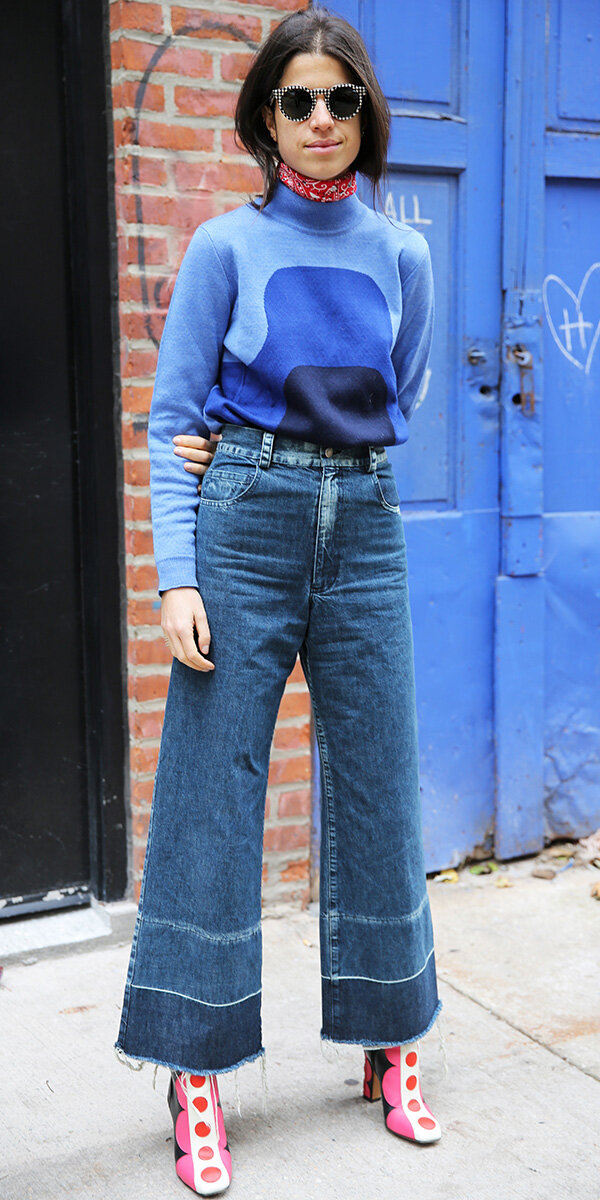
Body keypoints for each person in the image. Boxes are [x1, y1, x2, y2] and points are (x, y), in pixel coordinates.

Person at [114, 5, 443, 1194]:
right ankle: (193, 1070)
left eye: (340, 100)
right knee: (212, 791)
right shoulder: (222, 248)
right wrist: (177, 577)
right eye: (296, 101)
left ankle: (392, 1040)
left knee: (378, 782)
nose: (319, 122)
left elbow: (394, 394)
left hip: (363, 524)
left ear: (366, 115)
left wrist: (310, 455)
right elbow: (169, 422)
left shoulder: (404, 255)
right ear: (264, 116)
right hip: (242, 527)